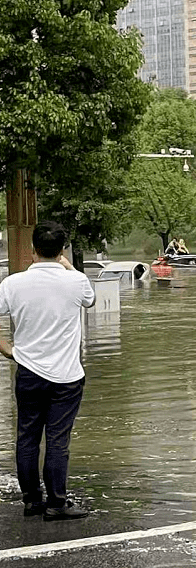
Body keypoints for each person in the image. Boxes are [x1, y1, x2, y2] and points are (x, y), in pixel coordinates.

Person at [0, 221, 95, 519]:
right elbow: (89, 301)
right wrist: (67, 265)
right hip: (66, 377)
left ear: (32, 250)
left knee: (27, 436)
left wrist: (8, 350)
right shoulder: (76, 281)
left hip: (28, 370)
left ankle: (31, 501)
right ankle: (56, 503)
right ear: (62, 249)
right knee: (57, 440)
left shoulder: (12, 284)